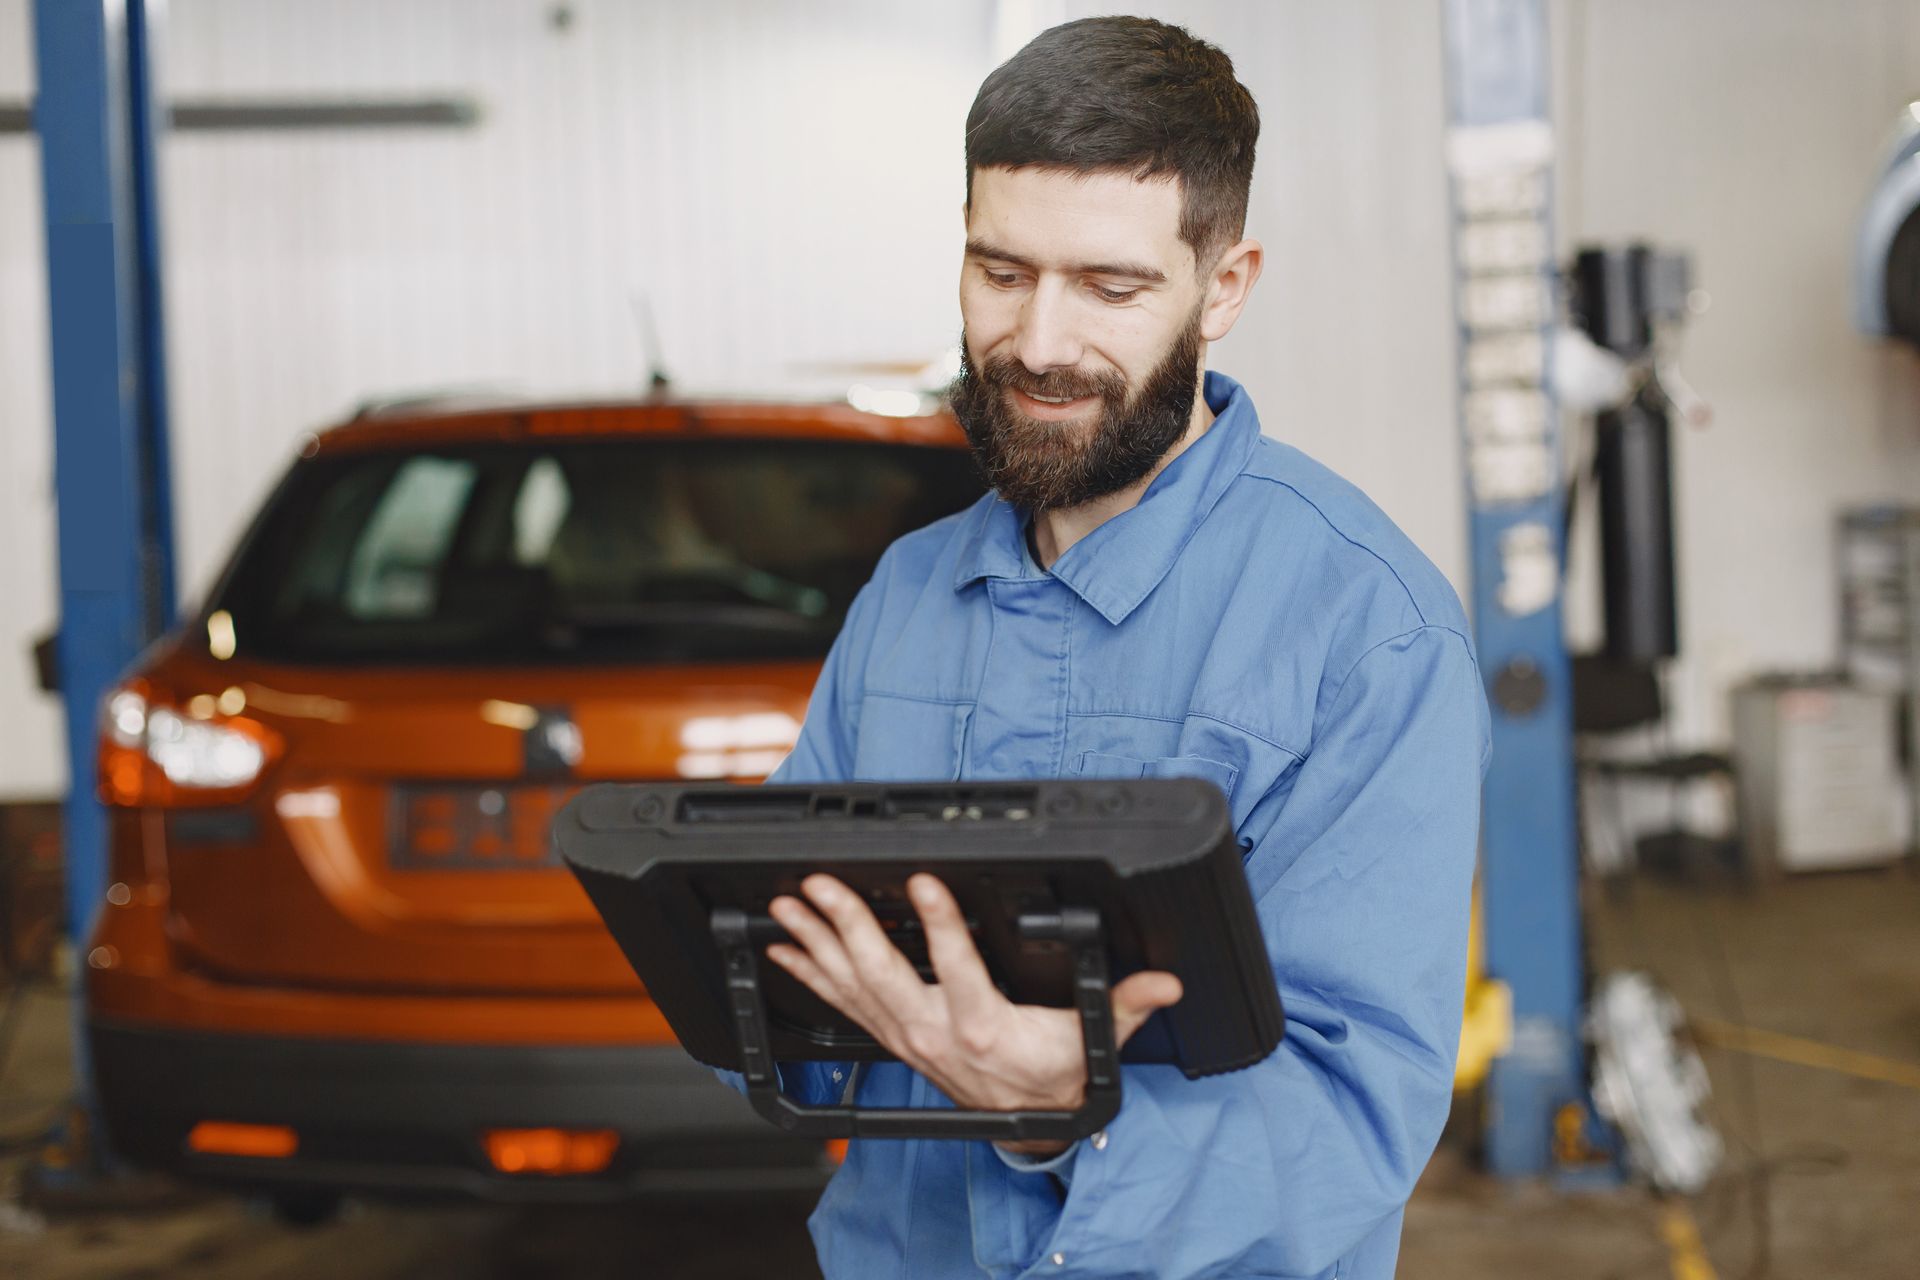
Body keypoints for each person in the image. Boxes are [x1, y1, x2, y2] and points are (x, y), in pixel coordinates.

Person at [738, 16, 1490, 1278]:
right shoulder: (910, 593)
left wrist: (1053, 1110)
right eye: (1001, 270)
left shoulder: (1367, 632)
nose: (1037, 341)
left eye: (1111, 286)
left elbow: (1353, 1114)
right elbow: (790, 991)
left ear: (1226, 286)